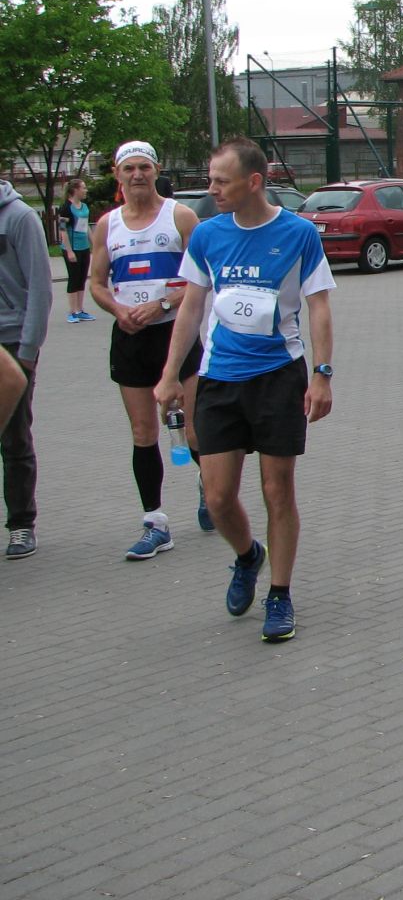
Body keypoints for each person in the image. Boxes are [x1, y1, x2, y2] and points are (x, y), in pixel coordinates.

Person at [155, 138, 336, 641]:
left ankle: (280, 593)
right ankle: (247, 555)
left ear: (253, 182)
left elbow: (319, 305)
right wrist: (170, 374)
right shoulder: (208, 235)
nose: (211, 190)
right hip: (219, 378)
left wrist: (322, 374)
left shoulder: (298, 233)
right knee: (217, 498)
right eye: (211, 180)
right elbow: (192, 306)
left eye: (221, 181)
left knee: (278, 490)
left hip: (279, 377)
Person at [88, 142, 208, 558]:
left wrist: (163, 304)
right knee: (143, 432)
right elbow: (96, 283)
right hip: (131, 337)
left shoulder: (180, 216)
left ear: (157, 170)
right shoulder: (107, 225)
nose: (137, 175)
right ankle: (155, 523)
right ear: (117, 174)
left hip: (176, 333)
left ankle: (210, 488)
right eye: (129, 169)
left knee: (193, 429)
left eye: (144, 167)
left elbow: (202, 277)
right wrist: (117, 309)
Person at [1, 178, 51, 560]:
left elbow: (40, 286)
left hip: (12, 341)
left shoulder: (19, 216)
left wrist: (29, 350)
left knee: (14, 437)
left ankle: (21, 523)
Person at [56, 177, 95, 323]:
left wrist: (94, 244)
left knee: (82, 278)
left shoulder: (84, 207)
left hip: (84, 247)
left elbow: (86, 227)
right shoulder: (66, 208)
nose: (86, 190)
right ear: (75, 190)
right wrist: (69, 251)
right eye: (83, 188)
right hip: (72, 248)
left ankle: (80, 309)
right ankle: (72, 311)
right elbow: (63, 230)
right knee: (74, 278)